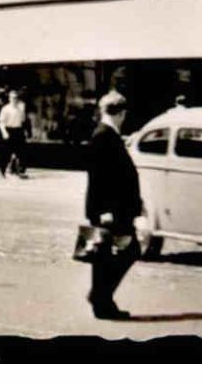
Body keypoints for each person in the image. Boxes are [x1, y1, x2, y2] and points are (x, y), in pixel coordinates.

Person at [84, 91, 143, 320]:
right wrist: (105, 210)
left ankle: (101, 299)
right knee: (126, 251)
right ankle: (100, 298)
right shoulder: (103, 136)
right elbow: (100, 177)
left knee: (104, 257)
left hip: (112, 208)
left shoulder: (107, 134)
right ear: (121, 113)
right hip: (110, 210)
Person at [0, 89, 29, 178]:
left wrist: (25, 131)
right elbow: (1, 122)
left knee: (22, 152)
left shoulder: (21, 108)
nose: (14, 99)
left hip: (18, 130)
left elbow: (23, 120)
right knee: (6, 152)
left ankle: (21, 171)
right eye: (12, 98)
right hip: (9, 130)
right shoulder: (5, 109)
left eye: (16, 98)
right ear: (9, 98)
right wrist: (4, 132)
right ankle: (2, 170)